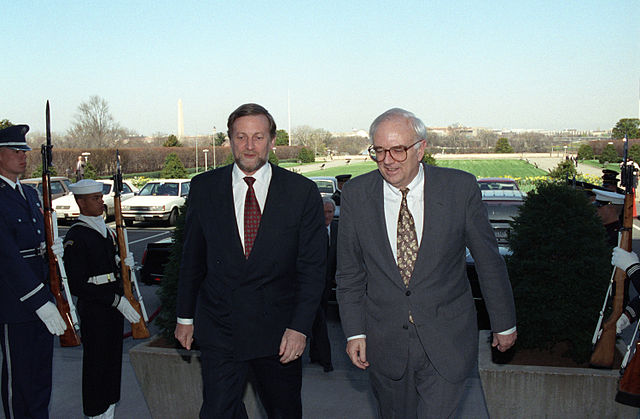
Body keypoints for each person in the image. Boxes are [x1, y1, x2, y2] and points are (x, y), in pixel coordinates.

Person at [336, 108, 517, 418]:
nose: (388, 160)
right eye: (379, 151)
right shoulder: (356, 194)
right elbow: (350, 273)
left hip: (448, 340)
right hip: (384, 343)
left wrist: (504, 322)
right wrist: (355, 332)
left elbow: (489, 261)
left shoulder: (460, 188)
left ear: (421, 148)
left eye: (398, 150)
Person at [174, 103, 326, 419]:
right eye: (240, 137)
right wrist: (185, 317)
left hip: (279, 335)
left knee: (284, 412)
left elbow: (312, 270)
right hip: (221, 329)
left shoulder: (301, 192)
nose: (249, 146)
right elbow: (192, 259)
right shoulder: (205, 188)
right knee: (217, 412)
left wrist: (299, 327)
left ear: (272, 141)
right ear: (229, 140)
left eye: (258, 137)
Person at [0, 124, 67, 418]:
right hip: (16, 304)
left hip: (43, 295)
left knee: (40, 380)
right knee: (20, 382)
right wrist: (40, 301)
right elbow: (7, 257)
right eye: (15, 151)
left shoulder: (28, 194)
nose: (23, 157)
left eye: (24, 151)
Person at [62, 179, 140, 419]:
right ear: (80, 202)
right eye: (95, 198)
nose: (101, 202)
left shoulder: (105, 231)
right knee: (97, 364)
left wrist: (123, 266)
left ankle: (109, 409)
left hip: (112, 308)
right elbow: (77, 284)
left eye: (100, 197)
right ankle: (96, 412)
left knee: (112, 362)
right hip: (96, 309)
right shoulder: (77, 235)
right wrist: (115, 300)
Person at [309, 196, 337, 372]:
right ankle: (327, 361)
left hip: (328, 285)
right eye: (324, 211)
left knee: (318, 321)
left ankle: (315, 355)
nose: (326, 215)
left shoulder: (338, 229)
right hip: (313, 285)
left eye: (330, 212)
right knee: (319, 321)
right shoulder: (310, 231)